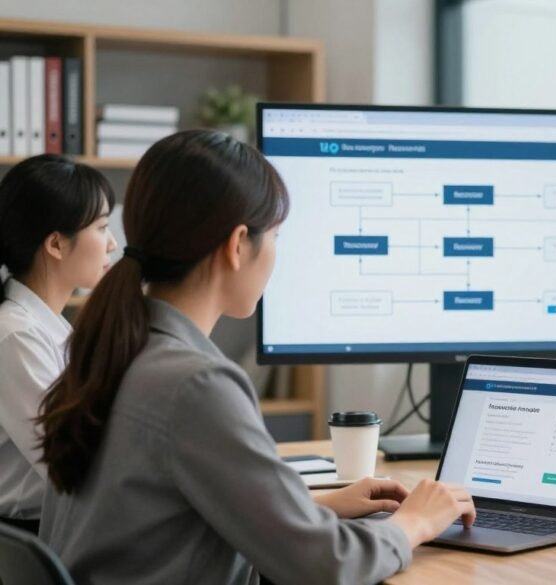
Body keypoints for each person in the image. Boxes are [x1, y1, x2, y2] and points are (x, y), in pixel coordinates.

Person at [36, 130, 476, 584]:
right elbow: (326, 566)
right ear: (239, 243)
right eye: (277, 235)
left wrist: (307, 507)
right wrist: (417, 522)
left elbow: (170, 512)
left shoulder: (113, 351)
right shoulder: (195, 385)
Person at [0, 154, 117, 535]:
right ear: (55, 244)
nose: (112, 244)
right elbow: (71, 463)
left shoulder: (48, 328)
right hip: (35, 538)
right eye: (101, 227)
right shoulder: (16, 336)